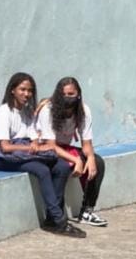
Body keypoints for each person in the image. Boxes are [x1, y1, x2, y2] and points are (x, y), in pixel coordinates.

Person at [0, 73, 82, 238]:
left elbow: (33, 136)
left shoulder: (27, 112)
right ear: (12, 90)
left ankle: (51, 219)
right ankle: (60, 221)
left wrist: (34, 143)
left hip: (23, 154)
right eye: (22, 89)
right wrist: (31, 149)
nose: (26, 94)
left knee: (61, 166)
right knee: (42, 170)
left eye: (29, 91)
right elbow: (5, 147)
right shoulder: (3, 112)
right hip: (4, 158)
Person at [36, 77, 107, 227]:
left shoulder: (84, 111)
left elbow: (86, 144)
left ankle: (87, 211)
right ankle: (56, 216)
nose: (67, 98)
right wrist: (76, 160)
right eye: (64, 94)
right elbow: (50, 145)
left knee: (98, 163)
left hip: (64, 148)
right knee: (62, 166)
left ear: (78, 94)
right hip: (45, 149)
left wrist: (91, 159)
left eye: (71, 94)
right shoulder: (47, 110)